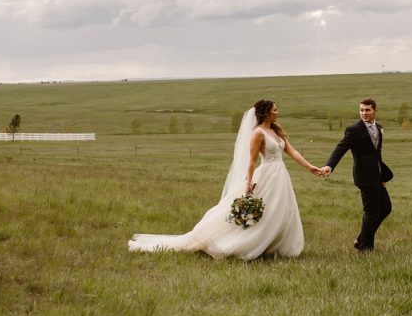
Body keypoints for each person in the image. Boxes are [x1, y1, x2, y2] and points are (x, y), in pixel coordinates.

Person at [129, 99, 324, 260]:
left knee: (281, 211)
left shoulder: (277, 131)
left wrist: (310, 168)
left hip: (281, 177)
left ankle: (276, 246)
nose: (278, 112)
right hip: (266, 175)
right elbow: (252, 161)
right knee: (264, 212)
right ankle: (243, 244)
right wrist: (248, 184)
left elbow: (292, 152)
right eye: (275, 110)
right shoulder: (258, 134)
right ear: (266, 113)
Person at [321, 98, 394, 251]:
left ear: (374, 110)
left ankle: (361, 239)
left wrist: (382, 176)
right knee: (371, 212)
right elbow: (341, 147)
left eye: (367, 110)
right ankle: (365, 248)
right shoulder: (354, 130)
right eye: (361, 110)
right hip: (364, 177)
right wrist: (330, 165)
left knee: (386, 207)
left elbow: (377, 154)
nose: (364, 113)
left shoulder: (378, 128)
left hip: (377, 176)